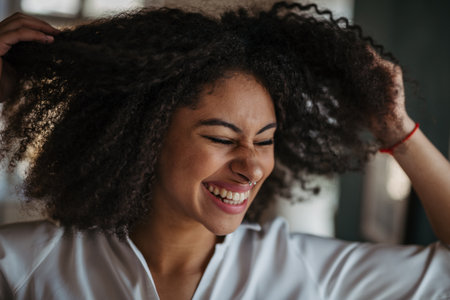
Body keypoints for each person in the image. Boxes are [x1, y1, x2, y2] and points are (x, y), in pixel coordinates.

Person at [0, 2, 449, 299]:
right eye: (220, 138)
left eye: (266, 139)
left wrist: (397, 130)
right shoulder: (31, 265)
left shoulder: (304, 270)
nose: (252, 165)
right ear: (145, 138)